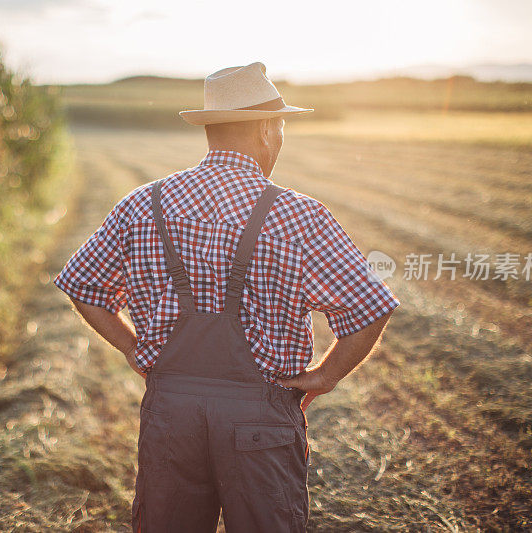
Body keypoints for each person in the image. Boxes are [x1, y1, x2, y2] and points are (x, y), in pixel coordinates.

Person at [53, 62, 400, 533]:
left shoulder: (141, 203)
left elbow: (82, 285)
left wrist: (133, 347)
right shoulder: (299, 216)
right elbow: (368, 308)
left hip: (171, 414)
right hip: (262, 417)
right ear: (265, 128)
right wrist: (324, 376)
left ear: (211, 128)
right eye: (279, 126)